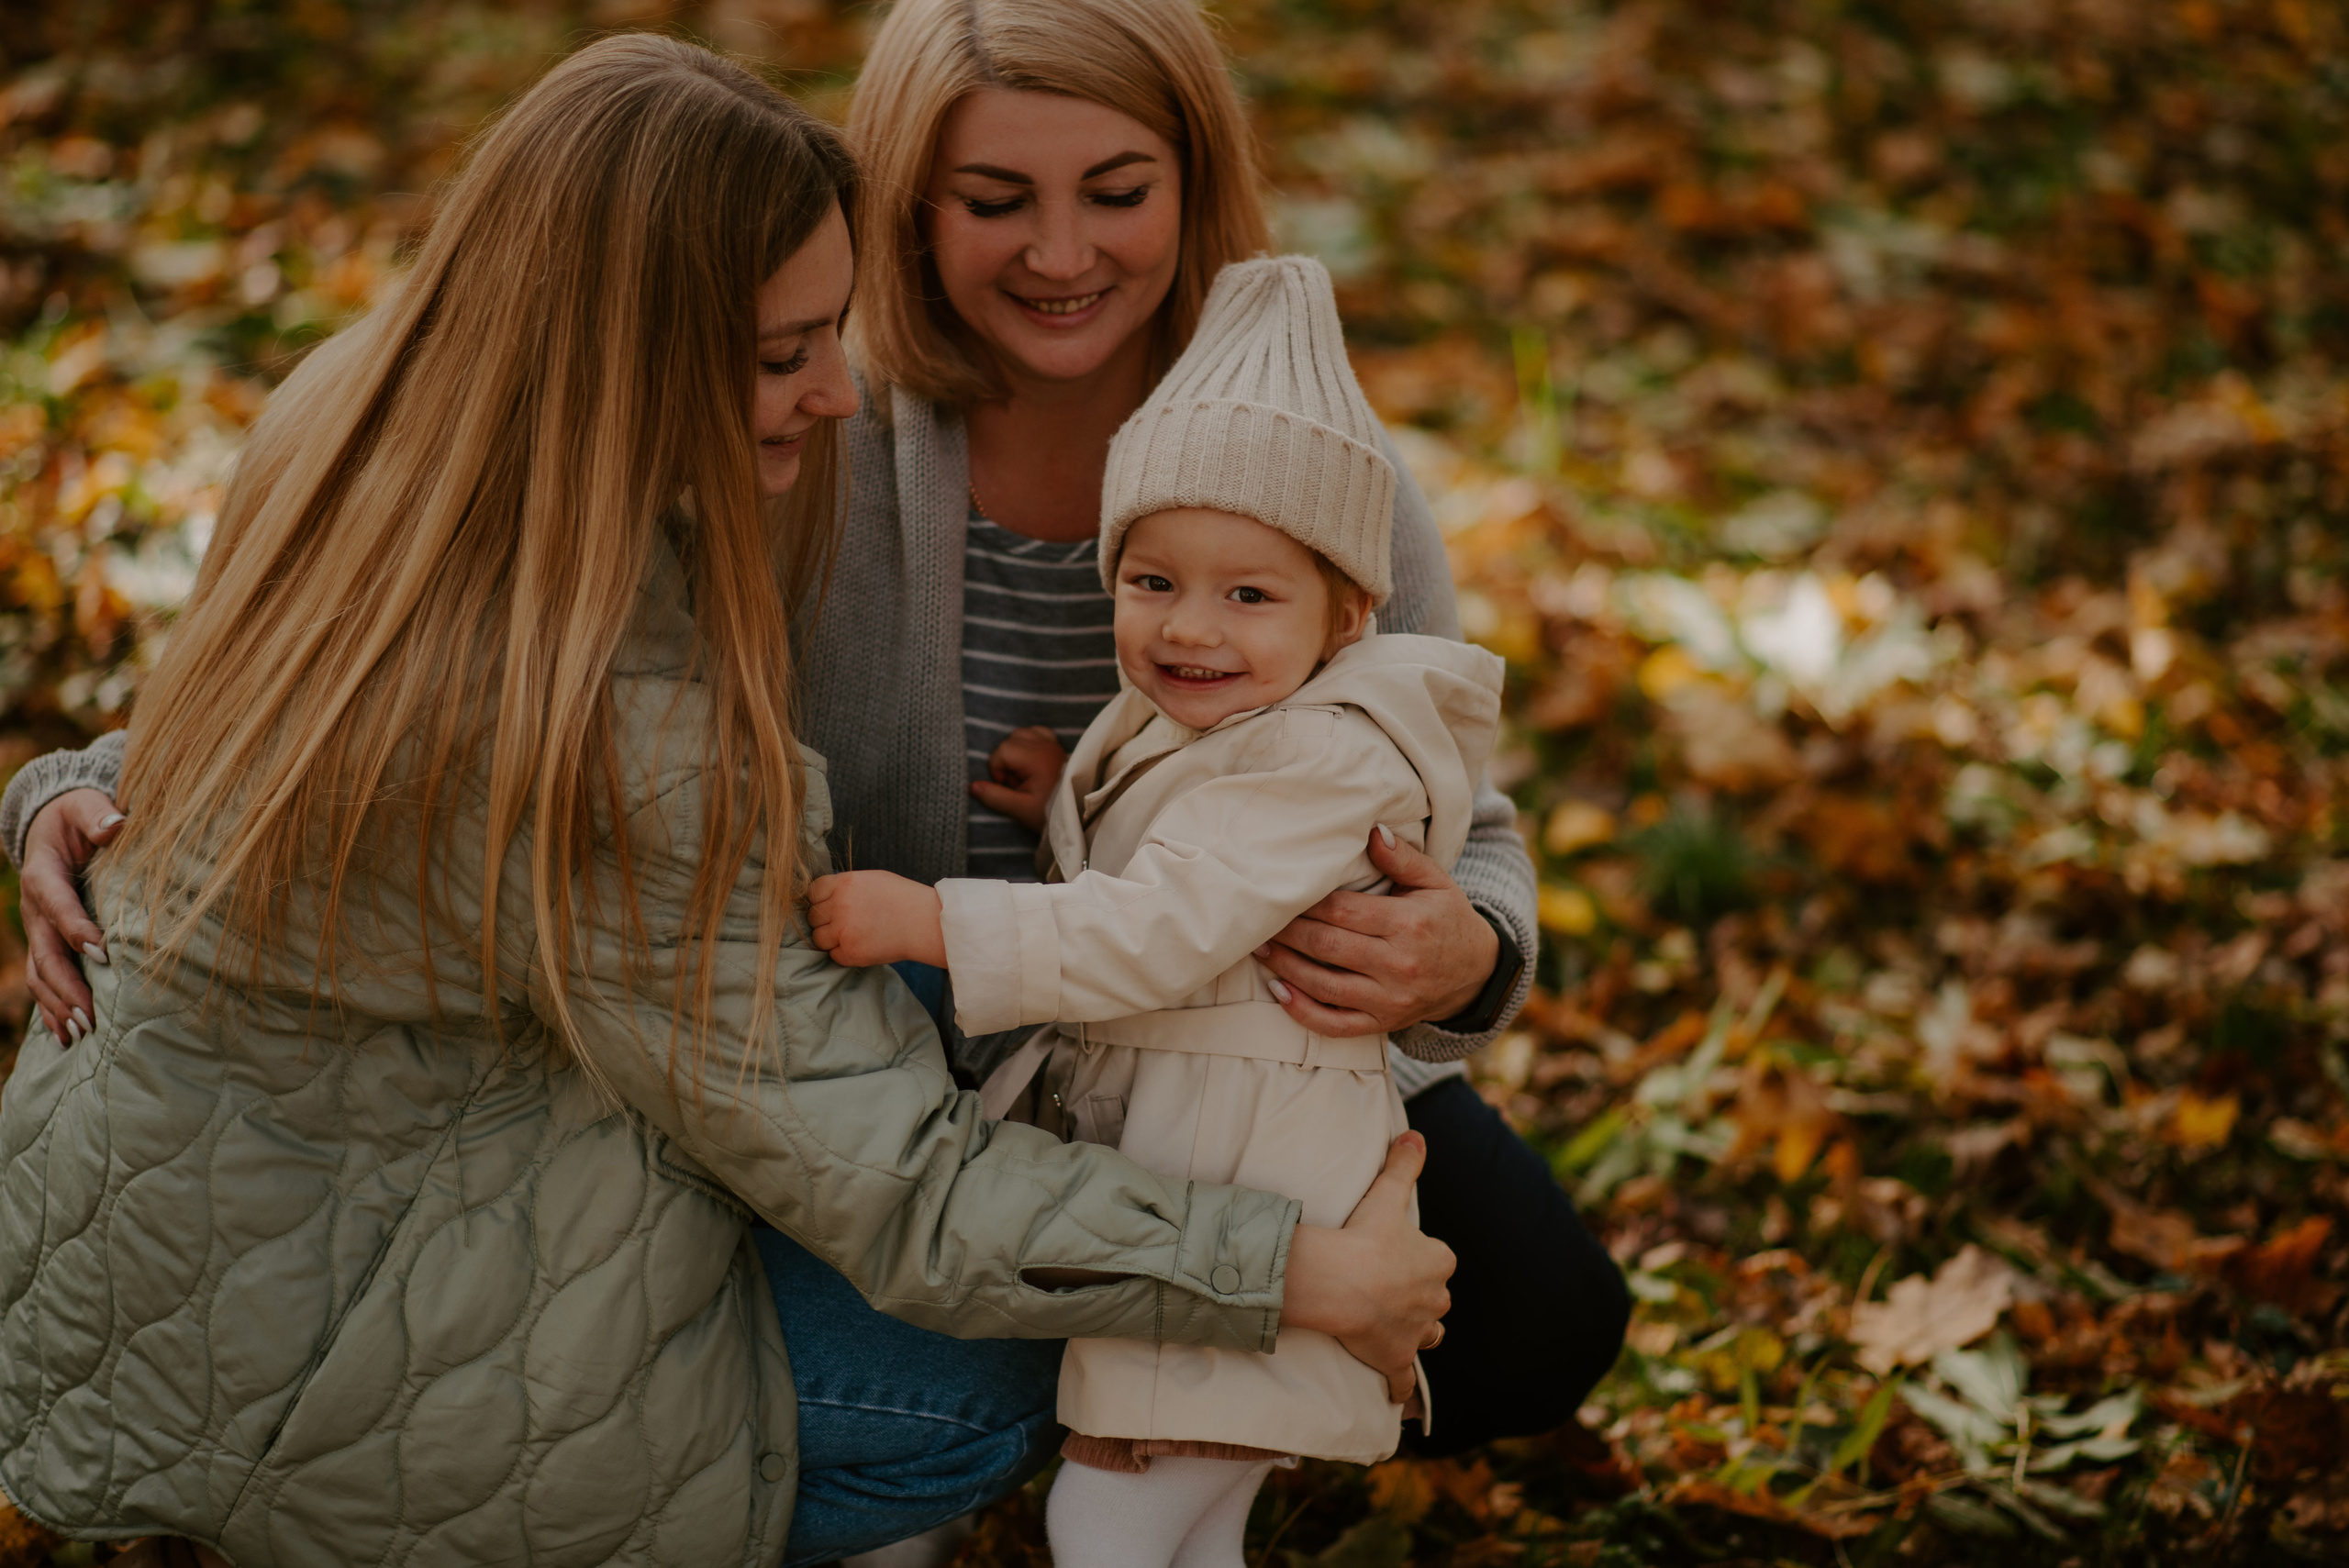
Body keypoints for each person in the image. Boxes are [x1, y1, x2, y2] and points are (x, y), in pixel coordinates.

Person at [8, 0, 1626, 1518]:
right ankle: (921, 1442)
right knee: (1025, 1331)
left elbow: (1458, 819)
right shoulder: (792, 431)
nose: (1064, 253)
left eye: (1119, 191)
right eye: (995, 199)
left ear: (1195, 187)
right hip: (854, 1007)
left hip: (1215, 1041)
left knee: (1530, 1314)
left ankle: (1150, 1412)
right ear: (909, 205)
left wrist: (1463, 950)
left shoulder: (1314, 466)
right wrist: (92, 784)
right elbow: (452, 647)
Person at [810, 255, 1508, 1568]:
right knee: (1181, 1521)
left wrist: (930, 921)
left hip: (1253, 1169)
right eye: (1152, 581)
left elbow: (1161, 928)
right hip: (1208, 1150)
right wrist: (1065, 810)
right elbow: (1191, 852)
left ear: (1349, 617)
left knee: (1109, 1514)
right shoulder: (1220, 722)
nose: (1190, 628)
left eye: (1249, 594)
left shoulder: (1327, 755)